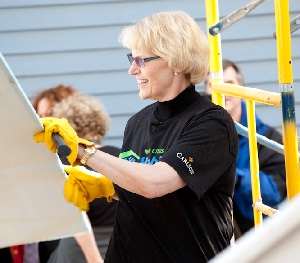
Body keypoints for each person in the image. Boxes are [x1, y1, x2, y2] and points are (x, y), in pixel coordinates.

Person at [34, 11, 238, 262]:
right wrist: (108, 187)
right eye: (132, 58)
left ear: (174, 60)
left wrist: (83, 152)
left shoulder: (212, 123)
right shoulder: (138, 122)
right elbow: (145, 188)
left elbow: (156, 183)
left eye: (141, 60)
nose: (132, 70)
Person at [33, 86, 119, 263]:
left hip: (80, 251)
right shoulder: (121, 156)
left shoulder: (67, 162)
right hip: (118, 245)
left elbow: (75, 214)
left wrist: (93, 258)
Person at [204, 59, 287, 238]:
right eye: (215, 84)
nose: (223, 91)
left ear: (241, 88)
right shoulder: (195, 132)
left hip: (255, 236)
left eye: (229, 84)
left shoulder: (267, 138)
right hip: (208, 235)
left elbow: (275, 193)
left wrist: (234, 176)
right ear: (207, 90)